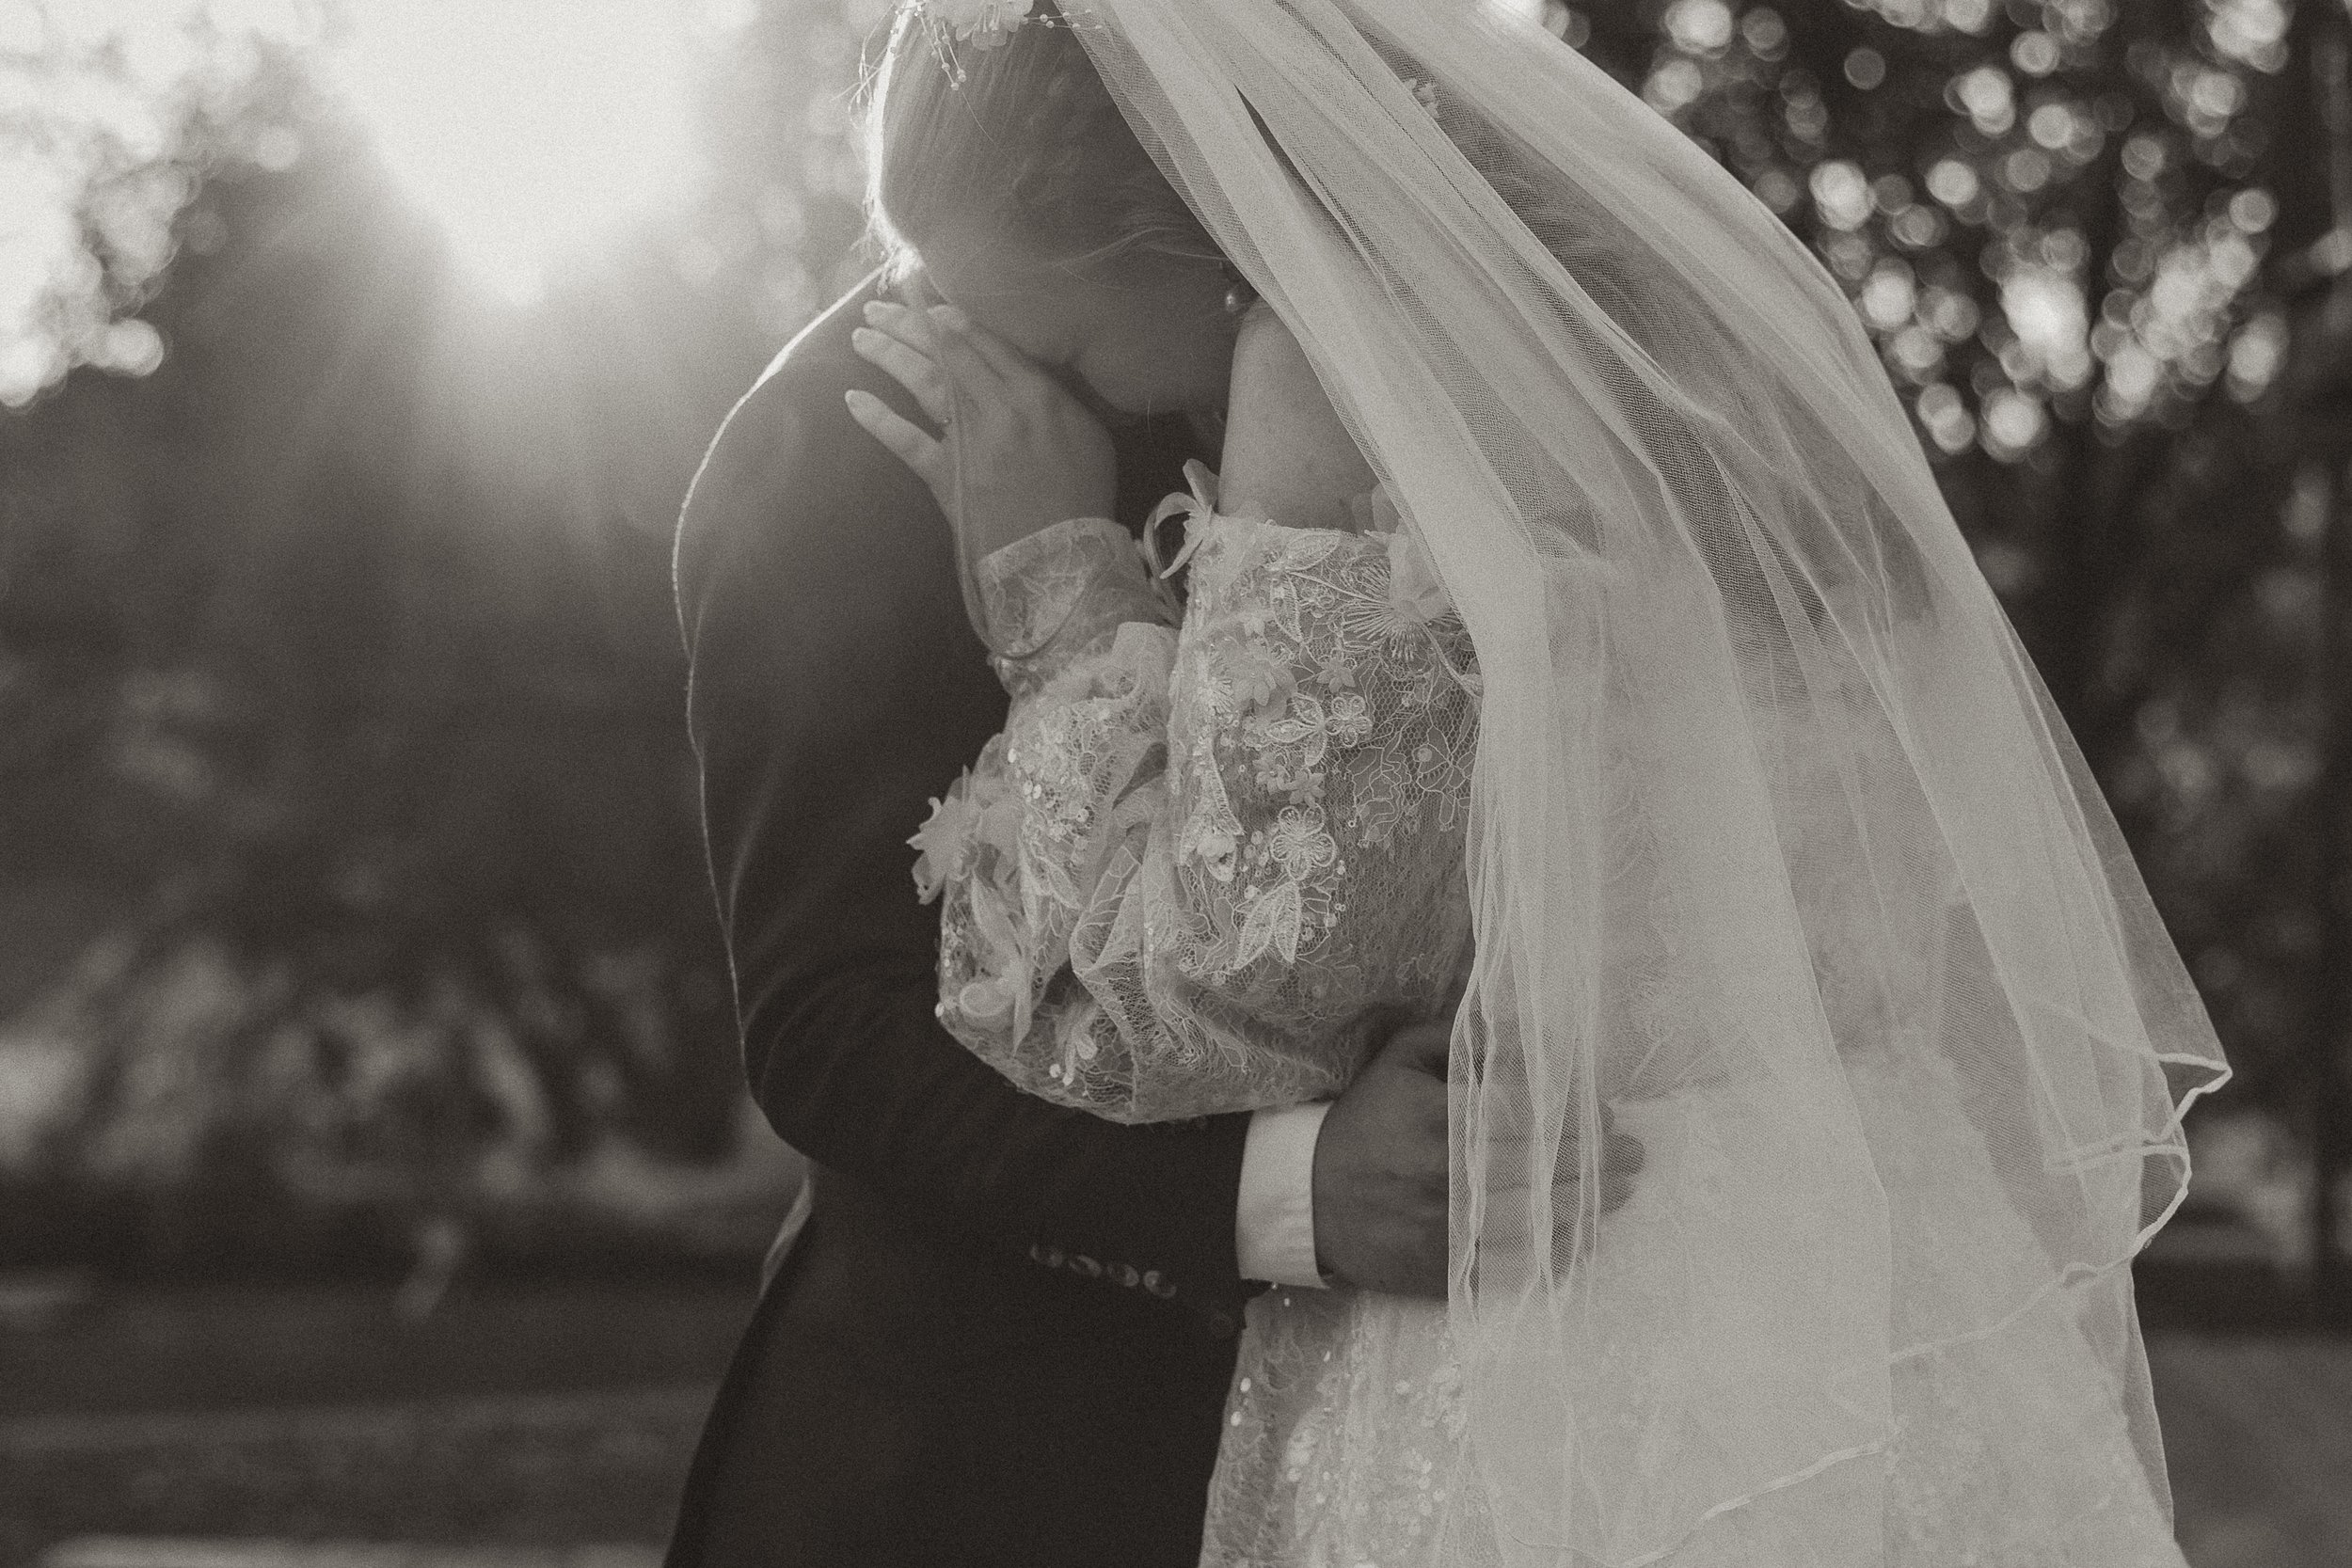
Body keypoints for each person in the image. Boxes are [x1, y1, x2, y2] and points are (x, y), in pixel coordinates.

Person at [840, 0, 2232, 1564]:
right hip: (1883, 1248)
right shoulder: (1711, 329)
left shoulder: (1329, 361)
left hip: (1572, 1297)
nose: (1045, 391)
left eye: (1062, 342)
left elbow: (1222, 989)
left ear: (1174, 200)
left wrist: (1064, 591)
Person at [663, 124, 1480, 1568]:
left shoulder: (1447, 351)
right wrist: (1290, 1193)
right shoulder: (844, 443)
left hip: (1446, 1403)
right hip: (991, 1467)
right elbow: (827, 1029)